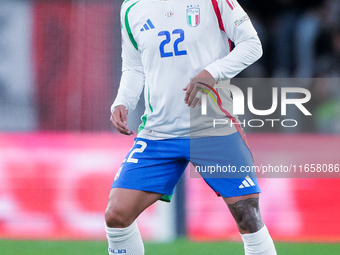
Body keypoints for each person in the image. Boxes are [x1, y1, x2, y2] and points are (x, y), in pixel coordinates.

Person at [106, 0, 277, 254]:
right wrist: (123, 101)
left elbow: (252, 44)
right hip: (158, 133)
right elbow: (133, 67)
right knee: (116, 215)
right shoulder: (132, 7)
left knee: (247, 214)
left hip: (212, 127)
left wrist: (212, 72)